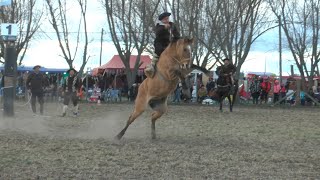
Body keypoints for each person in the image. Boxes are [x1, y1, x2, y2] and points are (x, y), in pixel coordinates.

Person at [144, 12, 180, 78]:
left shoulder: (171, 25)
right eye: (165, 19)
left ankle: (181, 66)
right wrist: (164, 28)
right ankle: (152, 67)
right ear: (161, 20)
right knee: (158, 52)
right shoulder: (159, 26)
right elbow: (158, 32)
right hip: (160, 43)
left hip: (168, 43)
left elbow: (177, 34)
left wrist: (177, 39)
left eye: (167, 19)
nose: (167, 20)